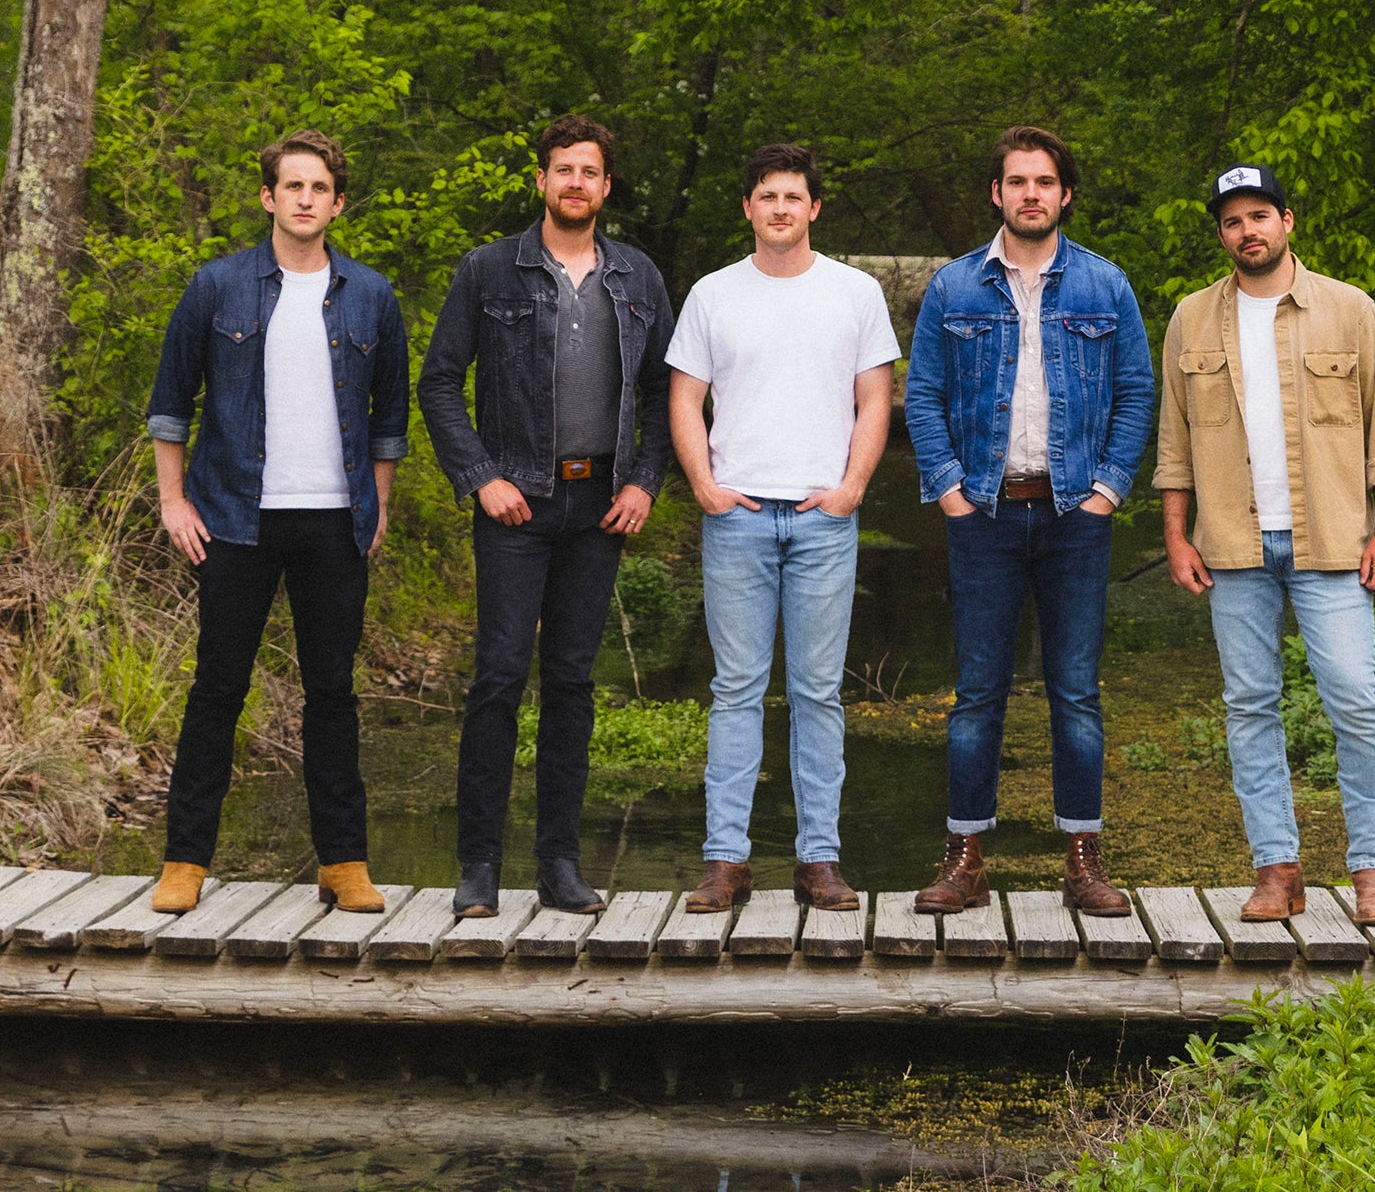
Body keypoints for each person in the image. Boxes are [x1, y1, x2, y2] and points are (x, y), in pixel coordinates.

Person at [142, 128, 410, 916]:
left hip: (334, 521)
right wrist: (173, 500)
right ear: (268, 197)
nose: (304, 199)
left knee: (332, 692)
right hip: (233, 518)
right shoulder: (217, 287)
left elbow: (389, 416)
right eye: (292, 186)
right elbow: (169, 402)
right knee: (217, 688)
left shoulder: (370, 295)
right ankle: (185, 860)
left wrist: (378, 504)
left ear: (336, 202)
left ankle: (344, 861)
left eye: (319, 188)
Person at [418, 115, 676, 919]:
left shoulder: (638, 278)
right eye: (562, 169)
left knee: (571, 681)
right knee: (498, 676)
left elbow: (673, 391)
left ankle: (560, 863)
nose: (575, 183)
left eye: (589, 172)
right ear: (541, 181)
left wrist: (641, 481)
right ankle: (479, 866)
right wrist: (479, 477)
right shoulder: (490, 270)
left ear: (605, 186)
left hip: (599, 505)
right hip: (515, 503)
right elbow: (438, 382)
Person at [904, 127, 1155, 918]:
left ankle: (1082, 859)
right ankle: (965, 857)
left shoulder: (1106, 286)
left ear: (1065, 194)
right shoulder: (953, 288)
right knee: (977, 694)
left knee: (1076, 693)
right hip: (982, 513)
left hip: (1075, 516)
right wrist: (947, 486)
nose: (1031, 194)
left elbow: (1136, 394)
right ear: (997, 194)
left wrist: (1109, 488)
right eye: (1017, 182)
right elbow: (922, 396)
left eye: (1045, 182)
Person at [1155, 163, 1375, 926]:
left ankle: (1373, 870)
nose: (1248, 230)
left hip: (1333, 541)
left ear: (1287, 220)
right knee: (1250, 707)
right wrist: (1176, 535)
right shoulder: (1191, 319)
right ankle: (1277, 868)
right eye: (1233, 221)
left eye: (1260, 215)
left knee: (1355, 701)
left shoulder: (1349, 310)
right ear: (1222, 234)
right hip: (1233, 546)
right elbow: (1174, 442)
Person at [667, 143, 900, 913]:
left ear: (814, 208)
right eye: (766, 196)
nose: (779, 209)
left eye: (792, 197)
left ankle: (819, 859)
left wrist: (850, 490)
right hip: (736, 517)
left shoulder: (854, 292)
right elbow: (685, 398)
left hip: (821, 520)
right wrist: (705, 485)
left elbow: (875, 399)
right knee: (735, 688)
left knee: (818, 692)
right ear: (748, 208)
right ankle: (726, 861)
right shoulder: (712, 294)